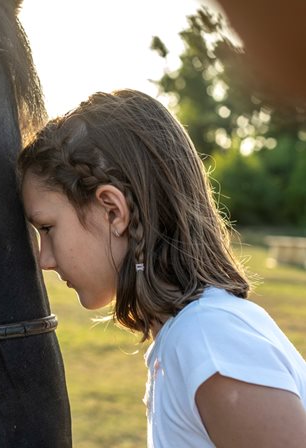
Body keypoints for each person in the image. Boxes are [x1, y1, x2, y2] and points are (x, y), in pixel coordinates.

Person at [17, 89, 306, 447]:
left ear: (113, 210)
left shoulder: (208, 340)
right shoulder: (187, 338)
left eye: (47, 228)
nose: (44, 259)